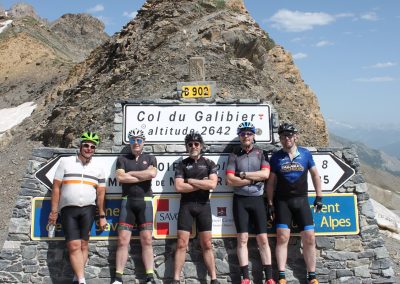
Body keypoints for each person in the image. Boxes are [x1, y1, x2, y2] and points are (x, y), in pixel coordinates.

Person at [266, 122, 323, 284]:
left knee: (310, 238)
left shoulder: (305, 154)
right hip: (282, 202)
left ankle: (312, 276)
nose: (287, 138)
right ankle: (282, 276)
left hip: (302, 201)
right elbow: (270, 183)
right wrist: (270, 204)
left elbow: (315, 176)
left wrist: (319, 196)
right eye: (283, 136)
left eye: (289, 135)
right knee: (282, 237)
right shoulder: (276, 157)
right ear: (280, 139)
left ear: (295, 136)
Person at [48, 131, 107, 284]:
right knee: (73, 245)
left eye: (92, 147)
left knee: (84, 244)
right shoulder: (66, 162)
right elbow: (56, 188)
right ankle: (82, 280)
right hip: (68, 210)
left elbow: (101, 194)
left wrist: (102, 215)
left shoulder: (99, 167)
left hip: (88, 209)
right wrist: (54, 211)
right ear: (80, 146)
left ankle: (77, 277)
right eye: (86, 145)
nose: (89, 149)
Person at [226, 122, 275, 284]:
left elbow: (265, 174)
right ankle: (245, 277)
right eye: (242, 134)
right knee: (242, 239)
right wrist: (252, 179)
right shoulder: (234, 154)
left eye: (248, 133)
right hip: (240, 201)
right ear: (239, 136)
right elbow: (230, 179)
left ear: (253, 135)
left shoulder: (261, 153)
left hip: (257, 200)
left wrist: (243, 174)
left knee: (263, 239)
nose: (246, 136)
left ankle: (269, 278)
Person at [173, 132, 219, 284]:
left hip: (203, 206)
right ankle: (176, 280)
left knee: (206, 244)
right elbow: (179, 187)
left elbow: (212, 184)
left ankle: (214, 279)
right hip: (186, 206)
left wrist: (191, 181)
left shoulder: (209, 163)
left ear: (201, 145)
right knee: (181, 243)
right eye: (190, 144)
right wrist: (201, 183)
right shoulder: (182, 164)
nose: (193, 146)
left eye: (196, 144)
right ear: (187, 147)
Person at [113, 128, 157, 284]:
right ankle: (118, 277)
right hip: (128, 201)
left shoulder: (150, 158)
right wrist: (141, 176)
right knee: (123, 240)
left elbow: (152, 174)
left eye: (139, 140)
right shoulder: (122, 158)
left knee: (147, 240)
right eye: (133, 140)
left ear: (143, 142)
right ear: (129, 142)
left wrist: (130, 174)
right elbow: (120, 177)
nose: (136, 143)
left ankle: (150, 276)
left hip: (145, 202)